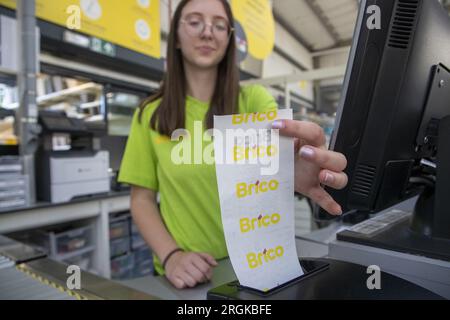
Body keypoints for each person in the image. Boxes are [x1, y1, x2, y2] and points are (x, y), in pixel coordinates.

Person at [118, 0, 348, 289]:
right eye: (194, 21)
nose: (207, 32)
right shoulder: (150, 114)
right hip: (188, 276)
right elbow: (141, 200)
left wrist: (288, 174)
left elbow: (272, 173)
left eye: (218, 25)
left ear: (228, 39)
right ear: (175, 35)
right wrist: (172, 256)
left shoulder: (253, 102)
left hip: (256, 268)